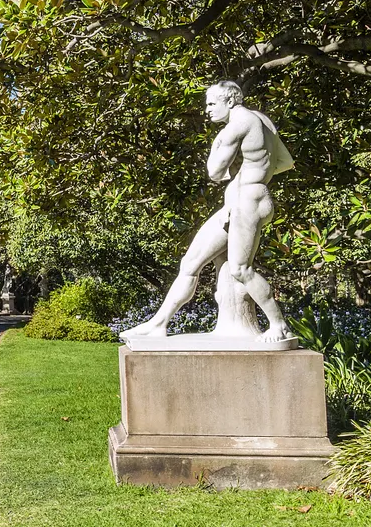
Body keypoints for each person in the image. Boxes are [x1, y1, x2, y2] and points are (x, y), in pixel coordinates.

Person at [121, 81, 294, 342]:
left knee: (240, 269)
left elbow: (214, 171)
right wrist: (252, 171)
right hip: (239, 201)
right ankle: (158, 324)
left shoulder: (237, 125)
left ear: (231, 101)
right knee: (190, 263)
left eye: (212, 103)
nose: (207, 110)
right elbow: (285, 162)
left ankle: (279, 325)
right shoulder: (262, 120)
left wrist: (221, 146)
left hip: (248, 201)